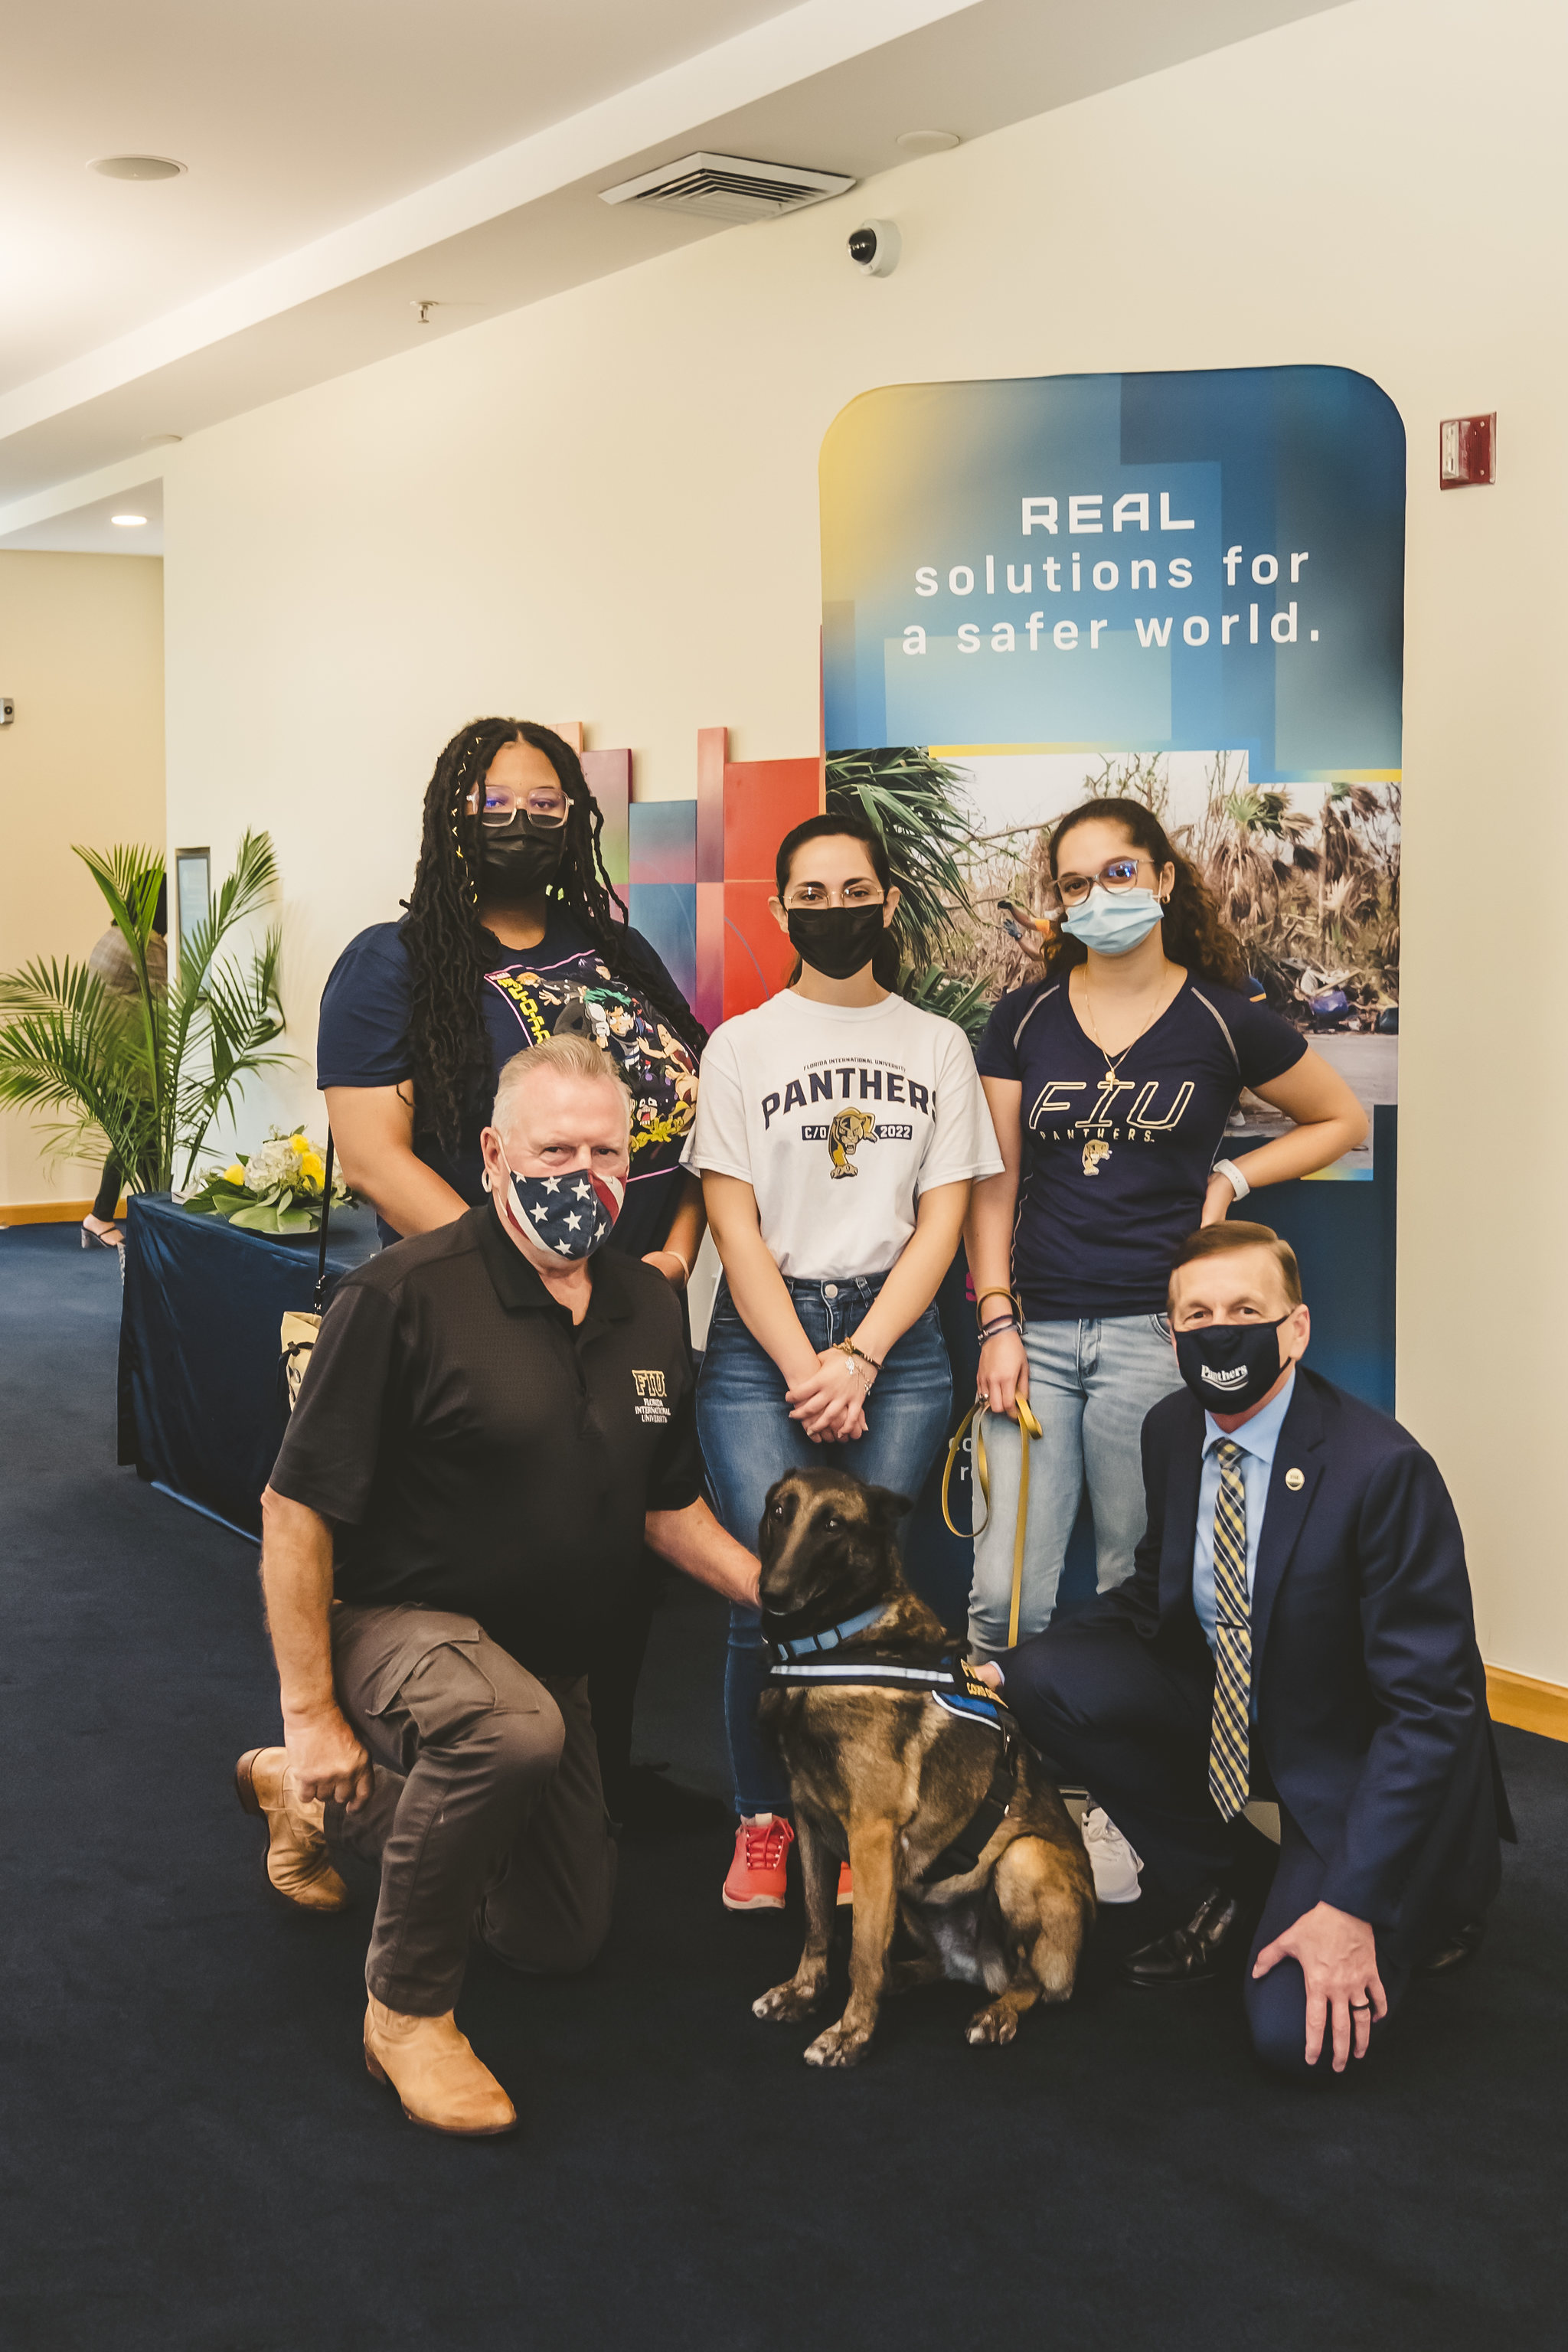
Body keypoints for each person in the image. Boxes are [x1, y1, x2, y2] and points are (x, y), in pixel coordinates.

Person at [237, 1035, 760, 2136]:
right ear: (493, 1153)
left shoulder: (652, 1308)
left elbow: (666, 1507)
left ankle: (304, 1797)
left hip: (545, 1659)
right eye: (554, 1147)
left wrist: (785, 1595)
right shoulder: (402, 1295)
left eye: (605, 1149)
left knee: (555, 1938)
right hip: (397, 1625)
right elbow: (293, 1510)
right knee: (505, 1732)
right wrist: (311, 1707)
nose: (583, 1174)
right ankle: (407, 2014)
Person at [985, 1221, 1511, 2079]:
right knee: (1042, 1679)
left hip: (1348, 1754)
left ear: (1294, 1329)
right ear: (1171, 1336)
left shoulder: (1380, 1468)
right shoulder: (1168, 1431)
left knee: (1288, 2043)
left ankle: (1394, 1899)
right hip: (1233, 1704)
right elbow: (1150, 1591)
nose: (1218, 1328)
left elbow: (1430, 1711)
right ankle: (1236, 1877)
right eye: (1195, 1314)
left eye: (1243, 1308)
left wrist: (1348, 1904)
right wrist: (1004, 1667)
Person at [964, 796, 1367, 1899]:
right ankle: (1003, 1807)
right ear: (1060, 899)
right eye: (1078, 882)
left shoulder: (1225, 1021)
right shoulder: (1024, 1020)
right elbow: (993, 1182)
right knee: (1008, 1594)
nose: (1100, 897)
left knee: (1131, 1588)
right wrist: (994, 1314)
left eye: (1120, 871)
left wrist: (1235, 1178)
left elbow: (1343, 1120)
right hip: (1036, 1330)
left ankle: (1110, 1812)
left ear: (1166, 878)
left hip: (1163, 1334)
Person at [318, 717, 709, 1822]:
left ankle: (599, 1785)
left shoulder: (615, 952)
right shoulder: (390, 964)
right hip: (477, 1314)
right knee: (489, 1557)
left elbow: (680, 1111)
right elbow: (373, 1156)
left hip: (626, 1309)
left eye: (547, 807)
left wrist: (672, 1253)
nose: (523, 826)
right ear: (452, 817)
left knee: (614, 1551)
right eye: (496, 805)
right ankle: (377, 1787)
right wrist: (517, 1276)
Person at [684, 809, 1004, 1911]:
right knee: (758, 1593)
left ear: (888, 901)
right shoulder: (741, 1046)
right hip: (757, 1335)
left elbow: (944, 1220)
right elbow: (731, 1223)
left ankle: (871, 1823)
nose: (832, 912)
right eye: (809, 897)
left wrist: (861, 1357)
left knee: (872, 1595)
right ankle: (764, 1821)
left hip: (898, 1341)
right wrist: (803, 1362)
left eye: (852, 891)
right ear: (780, 910)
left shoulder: (937, 1045)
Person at [81, 883, 168, 1249]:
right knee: (137, 1135)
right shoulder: (146, 941)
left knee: (136, 1137)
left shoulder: (114, 934)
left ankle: (107, 1215)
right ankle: (107, 1216)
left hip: (106, 1054)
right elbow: (160, 1005)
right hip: (128, 1059)